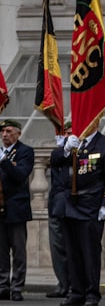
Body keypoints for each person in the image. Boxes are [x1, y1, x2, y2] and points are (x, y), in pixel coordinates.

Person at [51, 124, 105, 306]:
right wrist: (65, 149)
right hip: (69, 205)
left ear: (95, 122)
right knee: (72, 252)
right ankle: (76, 291)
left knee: (90, 252)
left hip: (90, 205)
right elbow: (55, 160)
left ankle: (91, 293)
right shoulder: (72, 142)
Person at [0, 119, 34, 302]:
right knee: (1, 251)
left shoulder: (25, 152)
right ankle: (3, 285)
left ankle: (17, 287)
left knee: (18, 251)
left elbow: (20, 175)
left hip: (16, 207)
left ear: (18, 133)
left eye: (8, 130)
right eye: (3, 131)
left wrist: (4, 162)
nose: (4, 134)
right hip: (0, 207)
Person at [46, 122, 72, 299]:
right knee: (58, 249)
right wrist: (66, 147)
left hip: (76, 207)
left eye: (73, 133)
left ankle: (76, 285)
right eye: (67, 133)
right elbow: (56, 158)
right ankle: (63, 284)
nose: (70, 136)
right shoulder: (60, 151)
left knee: (74, 250)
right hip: (57, 207)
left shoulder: (84, 150)